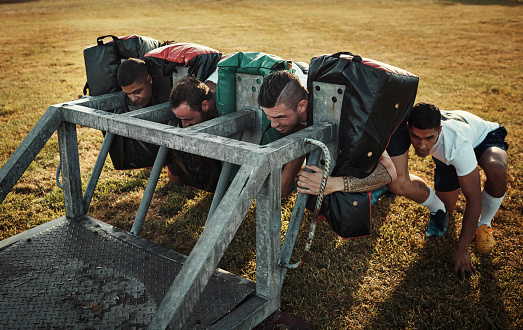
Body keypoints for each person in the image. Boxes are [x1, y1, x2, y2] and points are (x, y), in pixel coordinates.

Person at [257, 70, 397, 198]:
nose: (273, 124)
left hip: (389, 124)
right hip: (303, 104)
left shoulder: (344, 116)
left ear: (302, 105)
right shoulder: (289, 106)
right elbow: (281, 192)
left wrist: (333, 184)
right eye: (269, 117)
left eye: (280, 117)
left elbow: (389, 171)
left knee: (400, 185)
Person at [407, 102, 508, 279]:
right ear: (408, 127)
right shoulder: (406, 125)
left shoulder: (455, 147)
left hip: (483, 137)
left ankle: (484, 224)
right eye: (416, 137)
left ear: (439, 129)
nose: (421, 145)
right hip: (448, 152)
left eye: (429, 138)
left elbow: (473, 198)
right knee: (446, 210)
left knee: (497, 170)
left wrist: (462, 250)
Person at [169, 69, 307, 198]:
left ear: (205, 105)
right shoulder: (200, 91)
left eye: (188, 119)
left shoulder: (297, 100)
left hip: (296, 74)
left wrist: (287, 177)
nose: (184, 125)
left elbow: (300, 130)